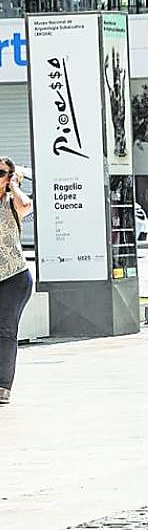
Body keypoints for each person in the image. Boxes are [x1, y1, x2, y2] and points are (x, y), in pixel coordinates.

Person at [0, 158, 33, 404]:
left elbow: (26, 204)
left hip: (14, 277)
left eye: (0, 172)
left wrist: (13, 185)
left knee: (6, 331)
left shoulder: (12, 203)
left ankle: (3, 387)